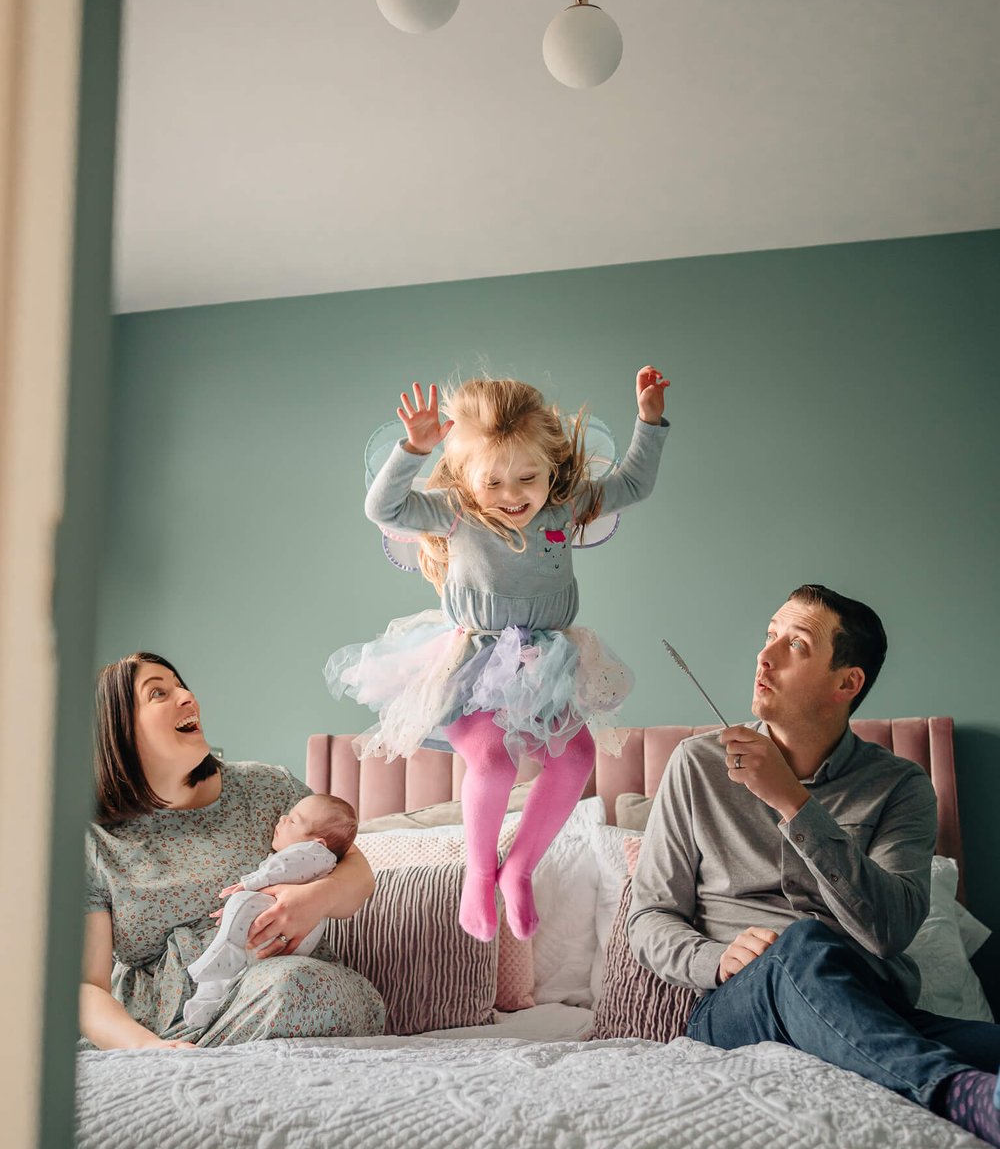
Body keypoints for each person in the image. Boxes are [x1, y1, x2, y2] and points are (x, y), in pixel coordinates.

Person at [628, 583, 1000, 1149]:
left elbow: (892, 931)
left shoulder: (901, 787)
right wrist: (716, 958)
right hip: (737, 1010)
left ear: (846, 683)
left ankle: (896, 1055)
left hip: (866, 1000)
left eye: (795, 644)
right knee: (800, 945)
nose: (765, 654)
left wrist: (793, 804)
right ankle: (952, 1092)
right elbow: (650, 917)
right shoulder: (696, 765)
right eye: (770, 635)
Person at [326, 367, 670, 942]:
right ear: (464, 476)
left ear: (550, 468)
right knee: (492, 761)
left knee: (577, 758)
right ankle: (478, 872)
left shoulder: (561, 508)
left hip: (545, 662)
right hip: (473, 664)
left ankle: (520, 868)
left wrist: (650, 422)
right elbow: (383, 510)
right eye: (494, 483)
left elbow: (633, 486)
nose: (514, 497)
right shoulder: (453, 510)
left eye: (528, 478)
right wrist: (412, 449)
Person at [81, 652, 385, 1049]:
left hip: (277, 991)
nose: (187, 696)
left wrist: (316, 897)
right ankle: (192, 1065)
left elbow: (359, 874)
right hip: (156, 1031)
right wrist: (148, 1049)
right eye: (158, 693)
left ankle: (205, 1065)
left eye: (180, 684)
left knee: (292, 988)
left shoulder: (267, 788)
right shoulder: (96, 840)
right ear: (117, 729)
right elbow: (88, 988)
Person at [183, 793, 358, 1028]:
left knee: (240, 902)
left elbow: (281, 869)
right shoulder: (311, 858)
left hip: (285, 926)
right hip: (275, 930)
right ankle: (206, 1006)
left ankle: (225, 949)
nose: (283, 818)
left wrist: (248, 884)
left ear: (317, 842)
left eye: (294, 821)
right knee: (227, 976)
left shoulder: (315, 855)